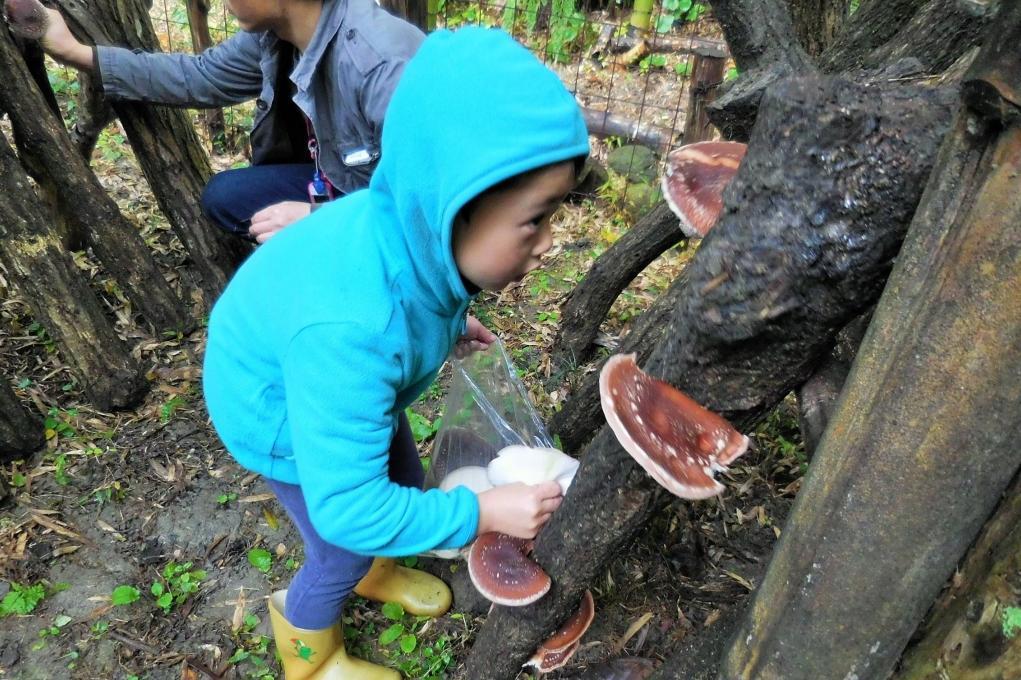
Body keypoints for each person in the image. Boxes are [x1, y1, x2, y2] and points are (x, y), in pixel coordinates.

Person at [202, 25, 589, 679]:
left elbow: (420, 284)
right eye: (535, 219)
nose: (548, 242)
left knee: (405, 486)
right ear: (452, 208)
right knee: (341, 544)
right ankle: (310, 654)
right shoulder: (352, 331)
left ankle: (378, 568)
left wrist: (452, 321)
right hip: (278, 411)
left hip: (332, 381)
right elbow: (348, 505)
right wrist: (478, 513)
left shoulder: (409, 235)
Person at [37, 0, 423, 242]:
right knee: (228, 197)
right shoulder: (276, 35)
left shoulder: (380, 63)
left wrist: (318, 221)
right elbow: (200, 77)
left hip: (399, 211)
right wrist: (76, 53)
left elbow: (427, 203)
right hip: (342, 182)